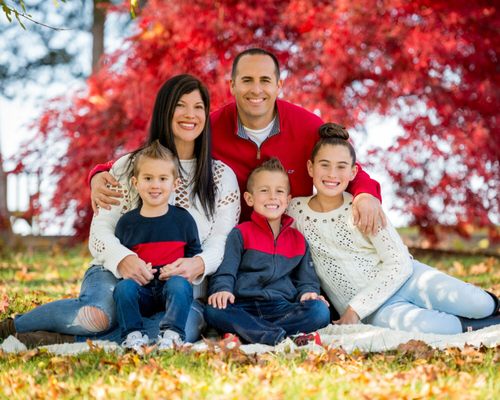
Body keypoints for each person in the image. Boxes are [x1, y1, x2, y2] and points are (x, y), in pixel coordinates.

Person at [0, 74, 240, 347]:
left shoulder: (221, 177)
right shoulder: (129, 167)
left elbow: (222, 239)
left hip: (182, 283)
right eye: (180, 105)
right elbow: (101, 231)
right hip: (118, 274)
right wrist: (123, 259)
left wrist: (197, 264)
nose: (190, 114)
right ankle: (12, 327)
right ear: (165, 110)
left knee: (177, 329)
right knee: (100, 315)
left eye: (198, 107)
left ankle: (58, 339)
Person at [90, 48, 385, 235]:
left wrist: (365, 194)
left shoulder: (307, 126)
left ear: (279, 86)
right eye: (246, 80)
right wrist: (100, 172)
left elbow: (343, 163)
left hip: (294, 240)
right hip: (232, 242)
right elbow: (160, 152)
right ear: (232, 85)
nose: (256, 90)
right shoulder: (210, 127)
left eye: (265, 81)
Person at [287, 123, 500, 334]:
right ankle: (477, 326)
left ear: (353, 173)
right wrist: (357, 310)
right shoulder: (294, 212)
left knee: (478, 304)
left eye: (341, 166)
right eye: (324, 165)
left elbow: (399, 263)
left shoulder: (362, 206)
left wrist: (354, 309)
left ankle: (491, 310)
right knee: (434, 327)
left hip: (409, 279)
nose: (332, 174)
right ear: (310, 168)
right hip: (376, 310)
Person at [205, 158, 330, 345]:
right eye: (264, 190)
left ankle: (256, 333)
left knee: (320, 311)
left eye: (279, 191)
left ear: (288, 200)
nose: (272, 196)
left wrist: (309, 292)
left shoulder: (298, 241)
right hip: (243, 306)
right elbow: (226, 271)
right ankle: (280, 336)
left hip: (282, 308)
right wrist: (222, 289)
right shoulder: (240, 233)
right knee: (213, 310)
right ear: (249, 198)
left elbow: (307, 280)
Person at [112, 141, 202, 352]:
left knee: (180, 285)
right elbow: (124, 262)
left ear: (175, 184)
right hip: (141, 289)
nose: (155, 185)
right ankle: (133, 337)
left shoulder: (183, 220)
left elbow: (194, 255)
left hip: (171, 291)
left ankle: (171, 335)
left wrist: (179, 269)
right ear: (135, 182)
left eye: (163, 179)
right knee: (123, 288)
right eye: (148, 178)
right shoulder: (127, 223)